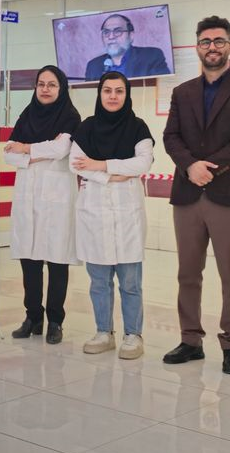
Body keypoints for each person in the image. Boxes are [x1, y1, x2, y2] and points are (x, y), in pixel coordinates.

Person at [161, 15, 230, 375]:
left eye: (219, 41)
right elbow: (171, 136)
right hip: (187, 194)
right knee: (188, 273)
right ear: (197, 47)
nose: (212, 47)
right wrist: (190, 166)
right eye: (206, 41)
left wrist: (210, 168)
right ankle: (190, 340)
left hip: (228, 195)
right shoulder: (182, 92)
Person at [71, 73, 155, 359]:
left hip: (127, 214)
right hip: (94, 213)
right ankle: (103, 332)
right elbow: (76, 164)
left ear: (126, 94)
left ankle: (133, 335)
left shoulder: (138, 127)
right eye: (107, 90)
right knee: (99, 281)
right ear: (100, 94)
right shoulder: (87, 127)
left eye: (119, 91)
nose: (113, 96)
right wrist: (111, 174)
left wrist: (99, 165)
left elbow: (142, 163)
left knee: (130, 282)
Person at [3, 65, 81, 345]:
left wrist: (26, 149)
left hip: (58, 197)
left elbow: (61, 150)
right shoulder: (27, 115)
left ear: (61, 88)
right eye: (41, 84)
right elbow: (8, 154)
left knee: (58, 260)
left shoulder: (70, 116)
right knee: (29, 260)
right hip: (28, 195)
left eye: (52, 84)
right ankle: (33, 318)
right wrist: (39, 151)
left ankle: (55, 321)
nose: (45, 89)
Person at [84, 13, 171, 80]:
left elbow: (164, 86)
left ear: (131, 35)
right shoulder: (93, 66)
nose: (111, 37)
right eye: (106, 32)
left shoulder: (151, 56)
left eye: (118, 31)